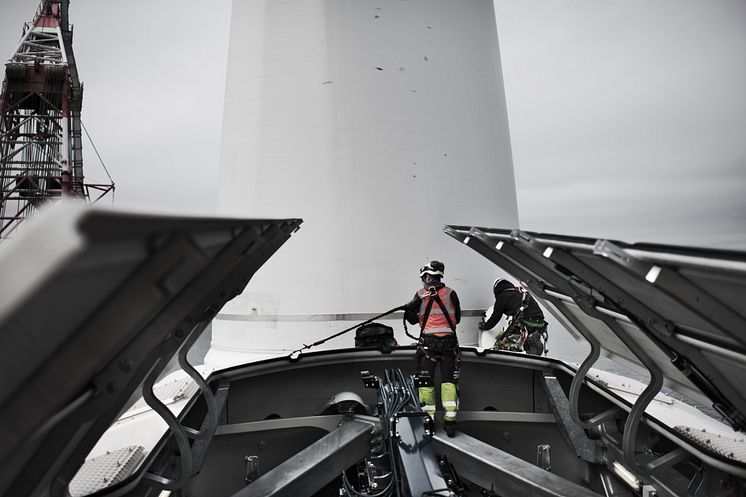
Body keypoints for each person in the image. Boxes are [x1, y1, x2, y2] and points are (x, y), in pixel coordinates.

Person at [404, 260, 461, 437]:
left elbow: (412, 319)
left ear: (428, 276)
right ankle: (450, 422)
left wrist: (411, 307)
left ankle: (428, 423)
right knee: (448, 382)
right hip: (449, 345)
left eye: (423, 278)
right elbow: (457, 318)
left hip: (428, 345)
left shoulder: (420, 294)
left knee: (426, 384)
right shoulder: (451, 293)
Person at [479, 278, 548, 355]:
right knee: (526, 342)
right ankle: (531, 348)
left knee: (503, 342)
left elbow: (495, 317)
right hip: (540, 322)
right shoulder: (519, 291)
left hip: (526, 321)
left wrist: (485, 326)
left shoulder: (502, 296)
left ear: (497, 290)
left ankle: (504, 358)